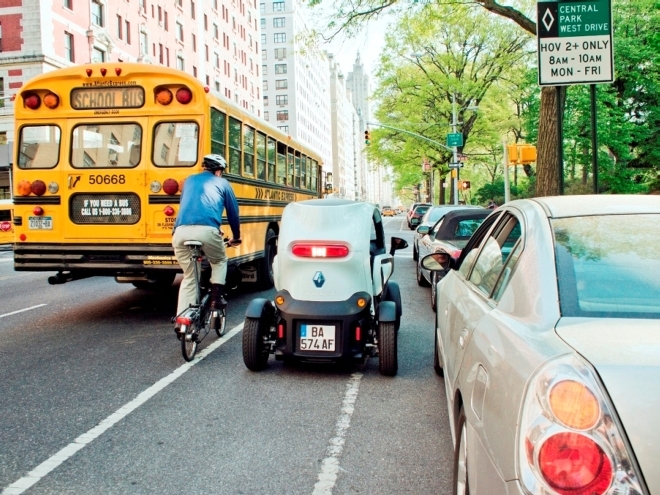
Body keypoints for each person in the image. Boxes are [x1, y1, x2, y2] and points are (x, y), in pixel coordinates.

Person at [172, 154, 241, 320]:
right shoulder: (223, 183)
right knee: (219, 261)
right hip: (208, 232)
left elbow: (184, 207)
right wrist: (236, 236)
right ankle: (216, 300)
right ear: (218, 171)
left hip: (180, 232)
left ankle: (183, 318)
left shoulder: (188, 181)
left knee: (190, 276)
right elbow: (233, 213)